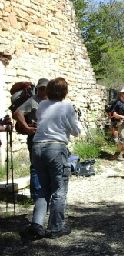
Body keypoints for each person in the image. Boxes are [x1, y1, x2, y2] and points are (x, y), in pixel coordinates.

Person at [22, 77, 80, 240]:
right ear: (65, 92)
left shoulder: (42, 105)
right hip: (55, 147)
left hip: (38, 147)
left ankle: (37, 225)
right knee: (59, 189)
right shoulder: (67, 106)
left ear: (48, 91)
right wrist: (75, 121)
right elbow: (75, 131)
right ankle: (56, 228)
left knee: (43, 188)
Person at [12, 78, 48, 202]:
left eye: (45, 88)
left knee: (47, 166)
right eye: (41, 88)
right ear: (38, 89)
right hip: (35, 137)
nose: (43, 91)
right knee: (36, 167)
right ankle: (37, 197)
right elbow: (17, 113)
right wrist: (26, 127)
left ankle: (44, 195)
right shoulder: (33, 101)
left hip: (49, 138)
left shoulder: (52, 101)